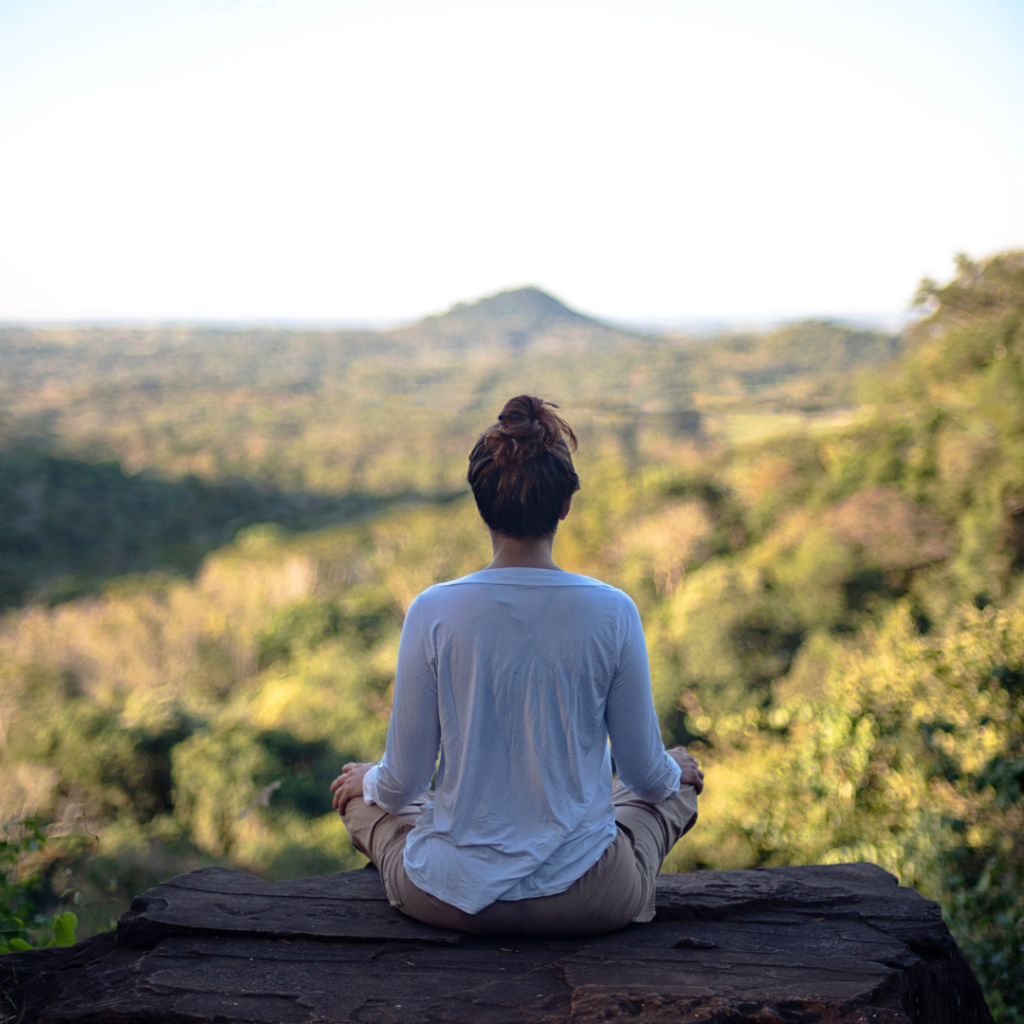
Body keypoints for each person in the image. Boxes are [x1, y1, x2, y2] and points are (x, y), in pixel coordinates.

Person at [331, 395, 703, 937]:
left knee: (362, 800)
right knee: (675, 780)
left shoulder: (433, 609)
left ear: (482, 504)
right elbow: (646, 778)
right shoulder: (613, 609)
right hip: (590, 900)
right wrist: (673, 771)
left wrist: (371, 780)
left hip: (452, 899)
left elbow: (404, 784)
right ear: (564, 506)